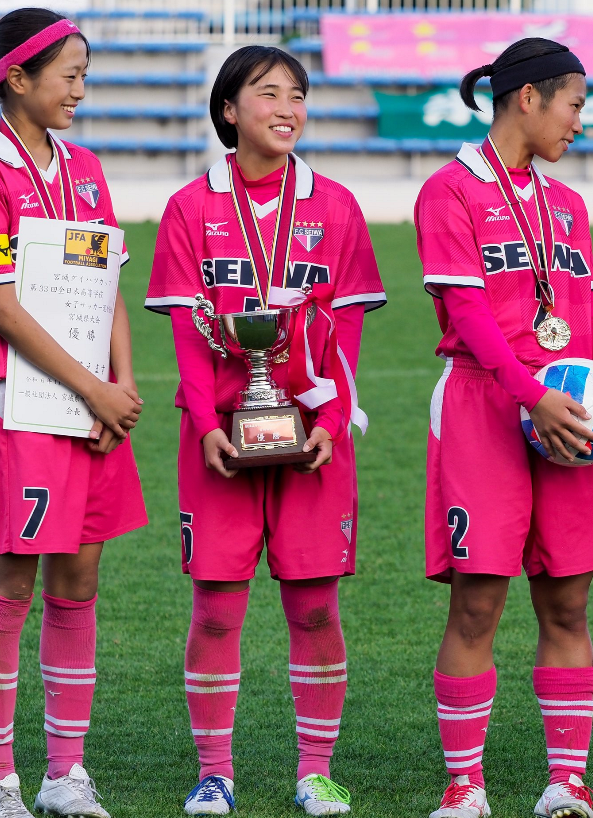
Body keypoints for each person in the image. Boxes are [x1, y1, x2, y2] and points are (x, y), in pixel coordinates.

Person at [146, 46, 386, 817]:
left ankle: (315, 771)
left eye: (299, 95)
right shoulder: (190, 207)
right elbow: (186, 328)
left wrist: (331, 420)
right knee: (216, 607)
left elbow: (345, 328)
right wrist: (207, 421)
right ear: (229, 111)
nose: (288, 108)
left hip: (314, 443)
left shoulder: (336, 205)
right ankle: (215, 772)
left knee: (315, 607)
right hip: (218, 438)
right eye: (269, 93)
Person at [414, 37, 593, 818]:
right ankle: (465, 784)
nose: (581, 122)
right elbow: (467, 314)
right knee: (478, 601)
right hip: (487, 404)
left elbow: (591, 310)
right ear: (529, 98)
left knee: (567, 603)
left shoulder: (568, 204)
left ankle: (566, 780)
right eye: (575, 105)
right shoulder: (449, 190)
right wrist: (527, 395)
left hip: (570, 411)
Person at [0, 8, 147, 818]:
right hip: (20, 403)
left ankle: (66, 774)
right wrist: (90, 388)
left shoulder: (87, 167)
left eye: (86, 75)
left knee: (80, 577)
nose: (80, 89)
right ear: (17, 80)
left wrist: (119, 387)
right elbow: (2, 309)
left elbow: (106, 288)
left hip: (92, 404)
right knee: (11, 578)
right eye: (70, 75)